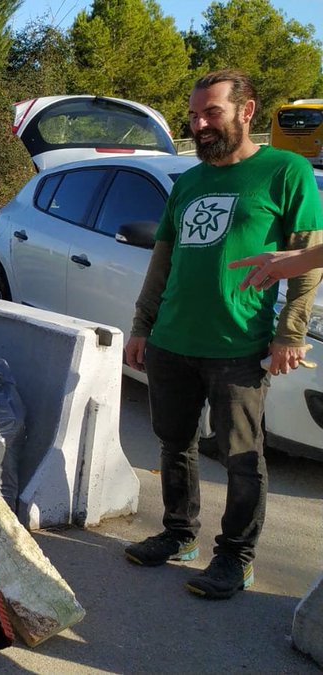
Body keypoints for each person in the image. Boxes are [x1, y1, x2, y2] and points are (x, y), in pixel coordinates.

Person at [122, 69, 323, 599]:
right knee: (174, 445)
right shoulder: (188, 181)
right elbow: (162, 263)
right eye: (193, 115)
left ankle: (235, 557)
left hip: (238, 345)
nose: (201, 124)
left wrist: (289, 333)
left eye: (211, 112)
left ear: (247, 111)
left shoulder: (287, 170)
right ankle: (178, 533)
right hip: (172, 340)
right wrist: (143, 326)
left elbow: (307, 261)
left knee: (240, 457)